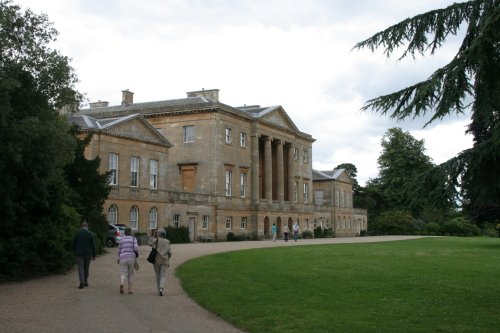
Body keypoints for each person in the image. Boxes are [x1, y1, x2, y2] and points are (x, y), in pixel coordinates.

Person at [148, 228, 171, 296]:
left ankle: (159, 290)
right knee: (163, 275)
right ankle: (161, 288)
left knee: (158, 275)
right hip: (165, 260)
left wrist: (153, 235)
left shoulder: (155, 240)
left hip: (157, 260)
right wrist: (168, 260)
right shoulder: (167, 241)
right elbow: (169, 253)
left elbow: (149, 242)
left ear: (158, 234)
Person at [73, 221, 96, 289]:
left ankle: (81, 283)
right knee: (86, 268)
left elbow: (74, 243)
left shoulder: (77, 233)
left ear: (81, 226)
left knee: (80, 268)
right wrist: (94, 255)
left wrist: (74, 250)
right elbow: (93, 246)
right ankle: (85, 281)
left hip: (79, 253)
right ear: (87, 227)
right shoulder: (91, 234)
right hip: (88, 254)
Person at [118, 227, 139, 294]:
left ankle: (122, 283)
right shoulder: (133, 239)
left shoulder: (121, 239)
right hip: (131, 257)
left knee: (123, 272)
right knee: (130, 274)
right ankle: (130, 290)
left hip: (123, 257)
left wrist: (119, 257)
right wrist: (136, 253)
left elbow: (119, 250)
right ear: (130, 232)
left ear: (125, 232)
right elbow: (136, 248)